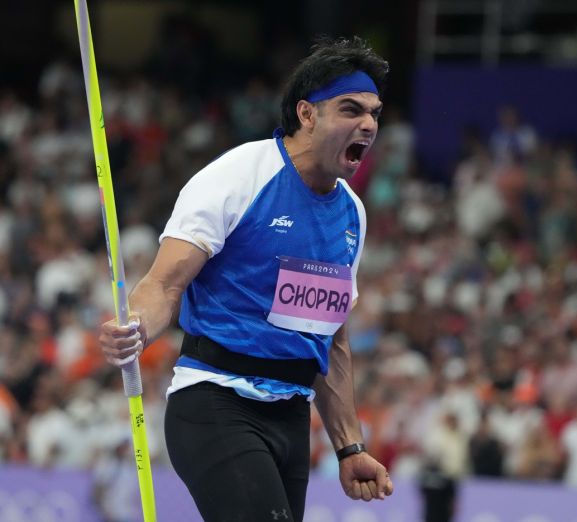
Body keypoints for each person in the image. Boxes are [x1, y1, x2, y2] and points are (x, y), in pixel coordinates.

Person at [98, 36, 393, 522]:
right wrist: (137, 328)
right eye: (350, 109)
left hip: (291, 417)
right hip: (215, 401)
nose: (368, 124)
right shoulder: (239, 176)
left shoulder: (352, 215)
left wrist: (348, 446)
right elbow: (165, 284)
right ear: (307, 114)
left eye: (375, 113)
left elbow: (331, 342)